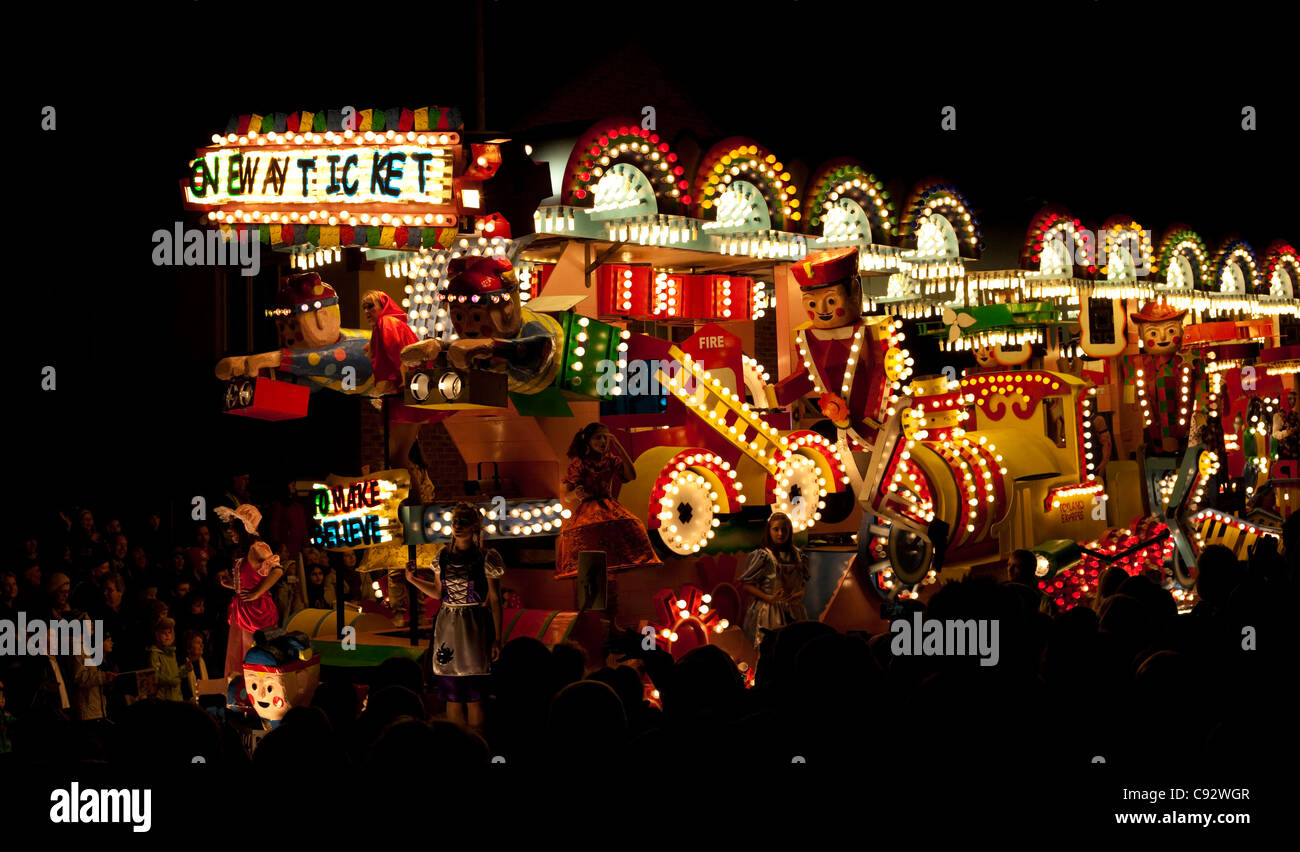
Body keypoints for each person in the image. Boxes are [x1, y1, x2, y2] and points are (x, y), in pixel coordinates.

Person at [404, 502, 503, 736]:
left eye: (463, 521)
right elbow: (440, 593)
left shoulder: (487, 557)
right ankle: (454, 742)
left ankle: (478, 742)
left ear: (474, 525)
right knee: (452, 692)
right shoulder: (442, 557)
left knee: (474, 692)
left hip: (474, 624)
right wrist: (413, 580)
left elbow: (496, 600)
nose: (458, 526)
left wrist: (497, 639)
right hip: (448, 624)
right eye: (455, 521)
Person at [362, 289, 447, 501]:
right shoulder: (390, 324)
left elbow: (400, 353)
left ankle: (414, 507)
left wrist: (401, 382)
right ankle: (413, 505)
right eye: (364, 307)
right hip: (405, 394)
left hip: (404, 395)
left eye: (371, 306)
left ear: (383, 306)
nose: (367, 311)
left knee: (397, 457)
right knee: (397, 457)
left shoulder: (387, 324)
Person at [555, 423, 663, 579]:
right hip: (588, 509)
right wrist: (575, 494)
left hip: (609, 505)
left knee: (633, 525)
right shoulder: (579, 462)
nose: (603, 441)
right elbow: (566, 495)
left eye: (605, 437)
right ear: (588, 441)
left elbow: (632, 475)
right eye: (598, 437)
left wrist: (619, 446)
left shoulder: (610, 460)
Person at [217, 505, 283, 678]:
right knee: (239, 655)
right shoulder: (245, 551)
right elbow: (251, 581)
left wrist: (257, 593)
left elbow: (277, 570)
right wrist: (233, 585)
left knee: (255, 655)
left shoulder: (257, 548)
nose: (230, 531)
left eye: (233, 526)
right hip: (242, 611)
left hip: (256, 612)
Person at [739, 512, 809, 650]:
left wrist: (799, 594)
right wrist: (768, 597)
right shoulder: (763, 556)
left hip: (794, 610)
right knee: (770, 648)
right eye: (776, 529)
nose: (780, 533)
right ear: (769, 531)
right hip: (769, 611)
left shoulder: (799, 555)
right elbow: (746, 585)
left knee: (796, 648)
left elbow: (803, 584)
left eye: (784, 529)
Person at [148, 618, 185, 702]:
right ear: (157, 635)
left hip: (177, 698)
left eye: (169, 632)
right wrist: (171, 681)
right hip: (163, 700)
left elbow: (176, 675)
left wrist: (185, 670)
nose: (167, 635)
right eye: (163, 633)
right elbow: (154, 676)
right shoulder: (155, 654)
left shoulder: (172, 653)